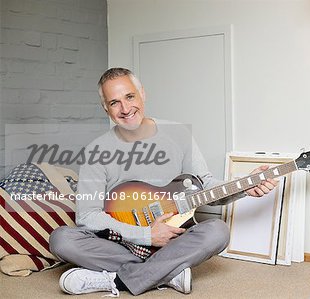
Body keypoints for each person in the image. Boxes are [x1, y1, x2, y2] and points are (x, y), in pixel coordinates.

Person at [49, 68, 277, 297]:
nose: (125, 109)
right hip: (120, 242)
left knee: (217, 231)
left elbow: (204, 184)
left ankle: (117, 280)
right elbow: (87, 216)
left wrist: (245, 186)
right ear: (105, 108)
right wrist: (146, 235)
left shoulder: (178, 135)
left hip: (174, 238)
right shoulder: (96, 151)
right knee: (61, 240)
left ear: (142, 94)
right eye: (114, 102)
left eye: (129, 97)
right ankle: (168, 272)